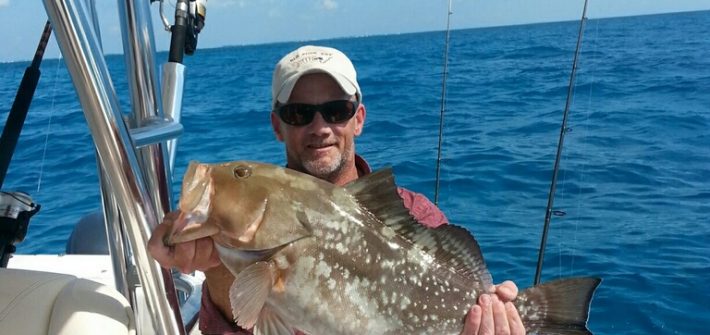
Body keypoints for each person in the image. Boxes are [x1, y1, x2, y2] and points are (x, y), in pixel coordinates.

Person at [148, 45, 525, 335]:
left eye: (336, 110)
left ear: (358, 119)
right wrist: (213, 267)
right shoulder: (232, 248)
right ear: (278, 126)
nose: (320, 126)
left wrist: (495, 318)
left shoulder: (416, 213)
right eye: (299, 113)